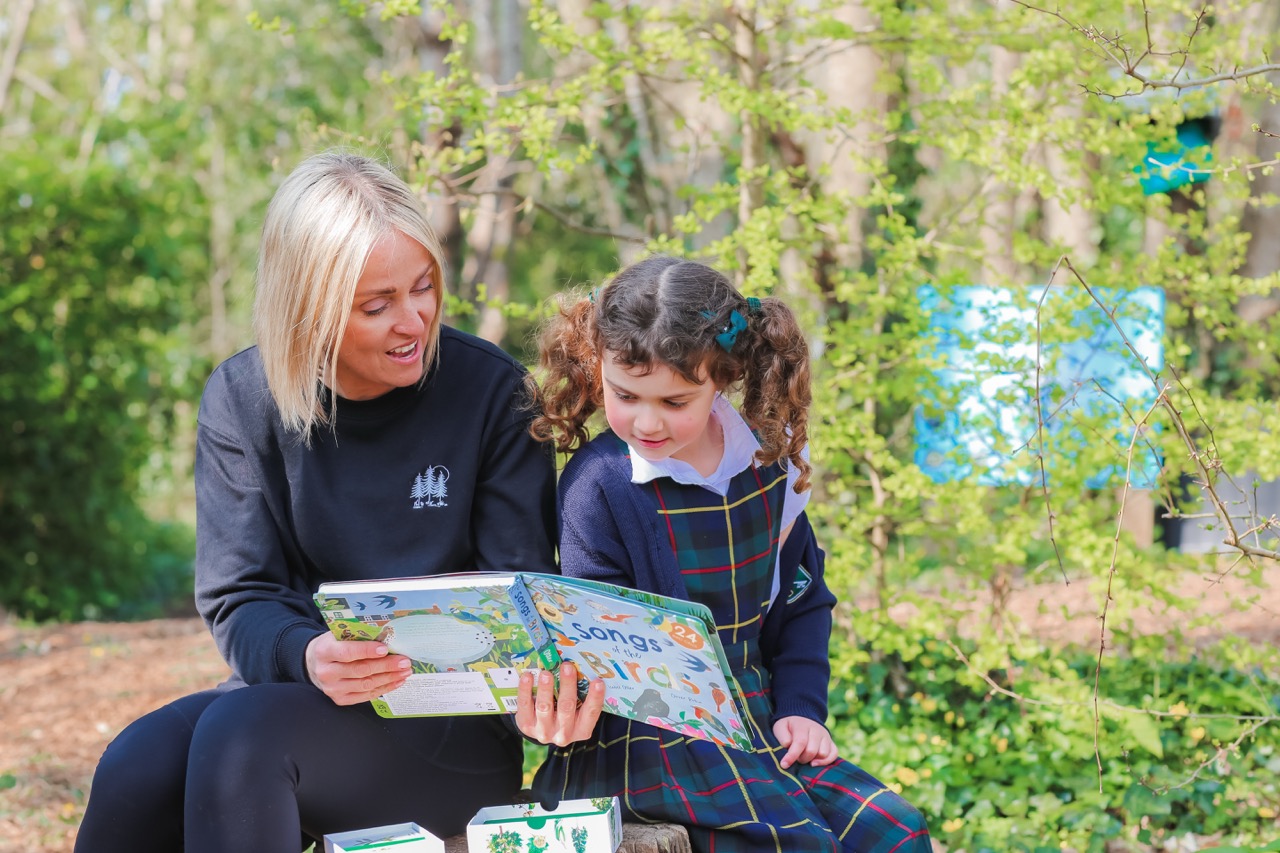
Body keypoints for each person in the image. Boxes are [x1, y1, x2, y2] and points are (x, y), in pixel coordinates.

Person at [74, 151, 601, 853]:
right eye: (376, 305)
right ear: (309, 308)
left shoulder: (492, 394)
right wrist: (308, 651)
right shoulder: (242, 400)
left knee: (241, 741)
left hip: (449, 732)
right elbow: (242, 593)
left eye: (423, 287)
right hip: (294, 696)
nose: (413, 321)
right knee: (135, 764)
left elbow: (518, 596)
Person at [527, 255, 932, 853]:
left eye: (674, 402)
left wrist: (801, 708)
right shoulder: (600, 483)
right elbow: (591, 643)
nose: (646, 421)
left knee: (894, 832)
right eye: (626, 395)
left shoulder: (767, 464)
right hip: (645, 735)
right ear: (598, 364)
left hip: (758, 720)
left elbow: (802, 599)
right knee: (796, 844)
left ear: (722, 378)